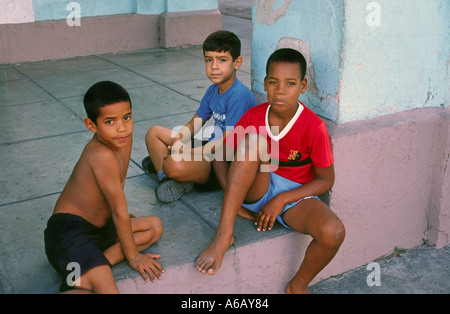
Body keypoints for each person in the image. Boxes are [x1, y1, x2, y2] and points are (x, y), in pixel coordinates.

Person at [195, 48, 345, 294]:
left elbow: (326, 180)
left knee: (334, 232)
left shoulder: (314, 126)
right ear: (265, 83)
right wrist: (234, 201)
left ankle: (297, 285)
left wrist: (282, 199)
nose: (280, 90)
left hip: (295, 196)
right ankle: (224, 234)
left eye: (290, 83)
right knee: (256, 141)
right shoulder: (253, 116)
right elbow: (219, 157)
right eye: (273, 82)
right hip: (256, 187)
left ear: (303, 86)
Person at [44, 81, 164, 294]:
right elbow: (119, 212)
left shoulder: (122, 138)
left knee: (154, 227)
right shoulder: (100, 154)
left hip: (100, 229)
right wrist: (134, 257)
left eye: (127, 117)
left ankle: (94, 263)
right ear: (92, 125)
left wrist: (119, 216)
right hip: (70, 233)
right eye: (110, 121)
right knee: (106, 290)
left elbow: (119, 185)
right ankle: (83, 274)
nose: (122, 127)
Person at [143, 30, 257, 203]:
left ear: (237, 62)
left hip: (223, 162)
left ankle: (171, 170)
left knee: (173, 164)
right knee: (154, 133)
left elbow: (225, 144)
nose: (214, 67)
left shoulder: (238, 96)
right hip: (208, 147)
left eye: (222, 60)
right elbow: (194, 124)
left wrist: (188, 152)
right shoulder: (213, 90)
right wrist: (179, 140)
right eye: (209, 60)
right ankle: (167, 178)